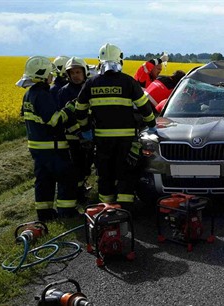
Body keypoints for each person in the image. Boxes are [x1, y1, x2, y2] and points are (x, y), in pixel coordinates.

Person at [75, 43, 157, 212]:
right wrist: (152, 125)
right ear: (120, 60)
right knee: (125, 173)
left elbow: (80, 109)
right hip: (126, 140)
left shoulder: (92, 83)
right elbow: (144, 107)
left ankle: (105, 211)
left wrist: (85, 130)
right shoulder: (128, 82)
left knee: (105, 174)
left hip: (102, 139)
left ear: (100, 61)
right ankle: (125, 209)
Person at [16, 56, 78, 221]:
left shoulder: (29, 94)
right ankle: (67, 212)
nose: (52, 77)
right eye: (50, 74)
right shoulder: (43, 95)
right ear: (42, 76)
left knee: (44, 181)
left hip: (37, 147)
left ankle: (45, 214)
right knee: (67, 178)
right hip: (52, 147)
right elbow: (54, 121)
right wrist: (69, 109)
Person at [58, 57, 93, 203]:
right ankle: (78, 195)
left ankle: (82, 188)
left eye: (78, 72)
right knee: (77, 168)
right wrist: (79, 133)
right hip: (73, 139)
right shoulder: (64, 92)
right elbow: (64, 118)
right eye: (72, 73)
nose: (75, 75)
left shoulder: (90, 88)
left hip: (91, 135)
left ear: (84, 72)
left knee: (87, 166)